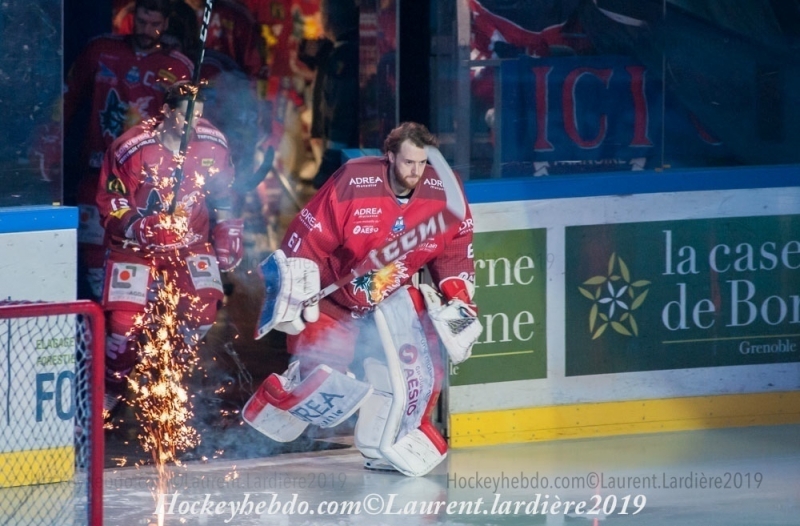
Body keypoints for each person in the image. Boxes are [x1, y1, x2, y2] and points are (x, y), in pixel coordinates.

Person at [243, 122, 483, 476]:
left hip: (392, 297)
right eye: (407, 163)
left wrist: (458, 297)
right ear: (389, 157)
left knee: (418, 373)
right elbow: (308, 236)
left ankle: (389, 441)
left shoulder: (446, 192)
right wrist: (294, 292)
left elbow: (455, 250)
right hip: (333, 296)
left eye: (422, 163)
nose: (415, 172)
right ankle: (280, 398)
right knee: (324, 378)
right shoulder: (355, 181)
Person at [96, 81, 243, 413]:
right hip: (135, 246)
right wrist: (139, 226)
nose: (193, 125)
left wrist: (229, 225)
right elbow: (111, 200)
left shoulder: (213, 142)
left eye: (199, 117)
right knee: (122, 327)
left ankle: (167, 369)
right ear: (166, 111)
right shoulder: (131, 147)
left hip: (190, 242)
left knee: (203, 311)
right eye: (185, 117)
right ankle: (113, 385)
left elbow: (224, 190)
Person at [64, 0, 193, 301]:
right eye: (142, 22)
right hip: (95, 175)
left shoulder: (178, 66)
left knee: (143, 262)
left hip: (146, 183)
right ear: (132, 18)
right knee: (94, 263)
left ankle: (129, 336)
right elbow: (67, 99)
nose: (147, 31)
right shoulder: (99, 49)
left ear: (166, 24)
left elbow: (186, 124)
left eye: (155, 25)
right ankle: (101, 334)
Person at [310, 0, 360, 189]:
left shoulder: (342, 57)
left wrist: (331, 157)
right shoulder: (350, 50)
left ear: (328, 20)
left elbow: (340, 108)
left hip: (345, 156)